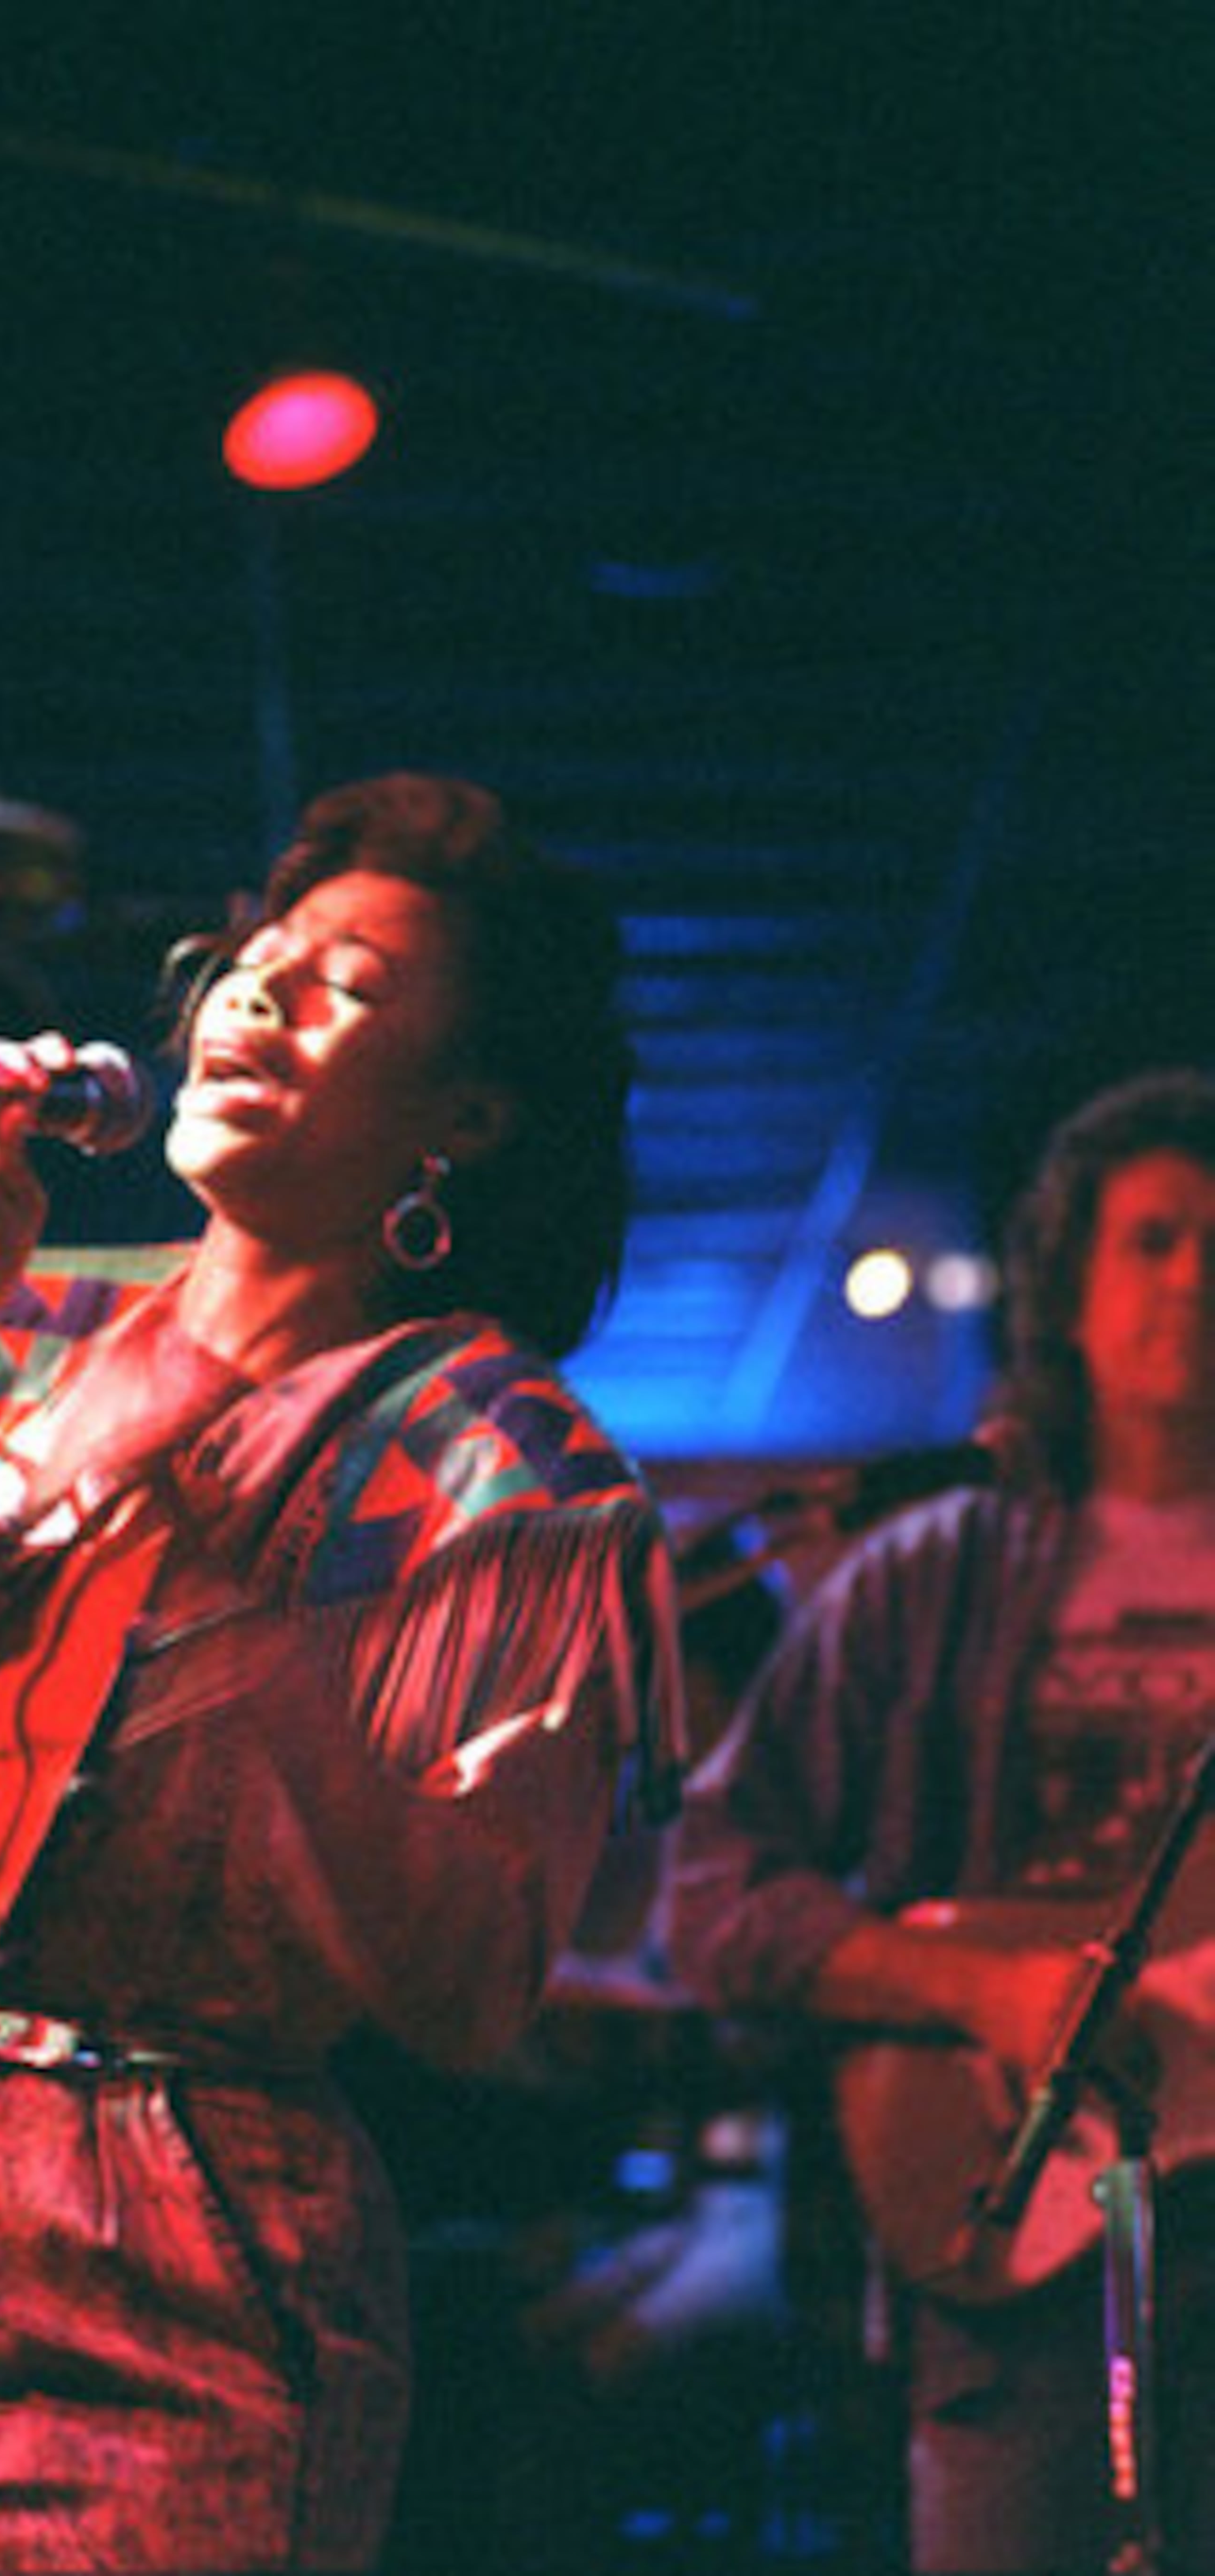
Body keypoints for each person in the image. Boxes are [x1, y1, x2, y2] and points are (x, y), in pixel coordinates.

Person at [0, 773, 685, 2575]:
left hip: (176, 2223)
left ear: (466, 1116)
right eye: (260, 958)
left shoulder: (511, 1471)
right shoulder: (14, 1325)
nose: (263, 991)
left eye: (350, 985)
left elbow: (469, 1978)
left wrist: (256, 1620)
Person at [665, 1066, 1215, 2575]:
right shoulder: (933, 1573)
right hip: (1015, 2255)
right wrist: (982, 1990)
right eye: (1154, 1239)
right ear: (1067, 1289)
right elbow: (714, 1892)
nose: (1194, 1279)